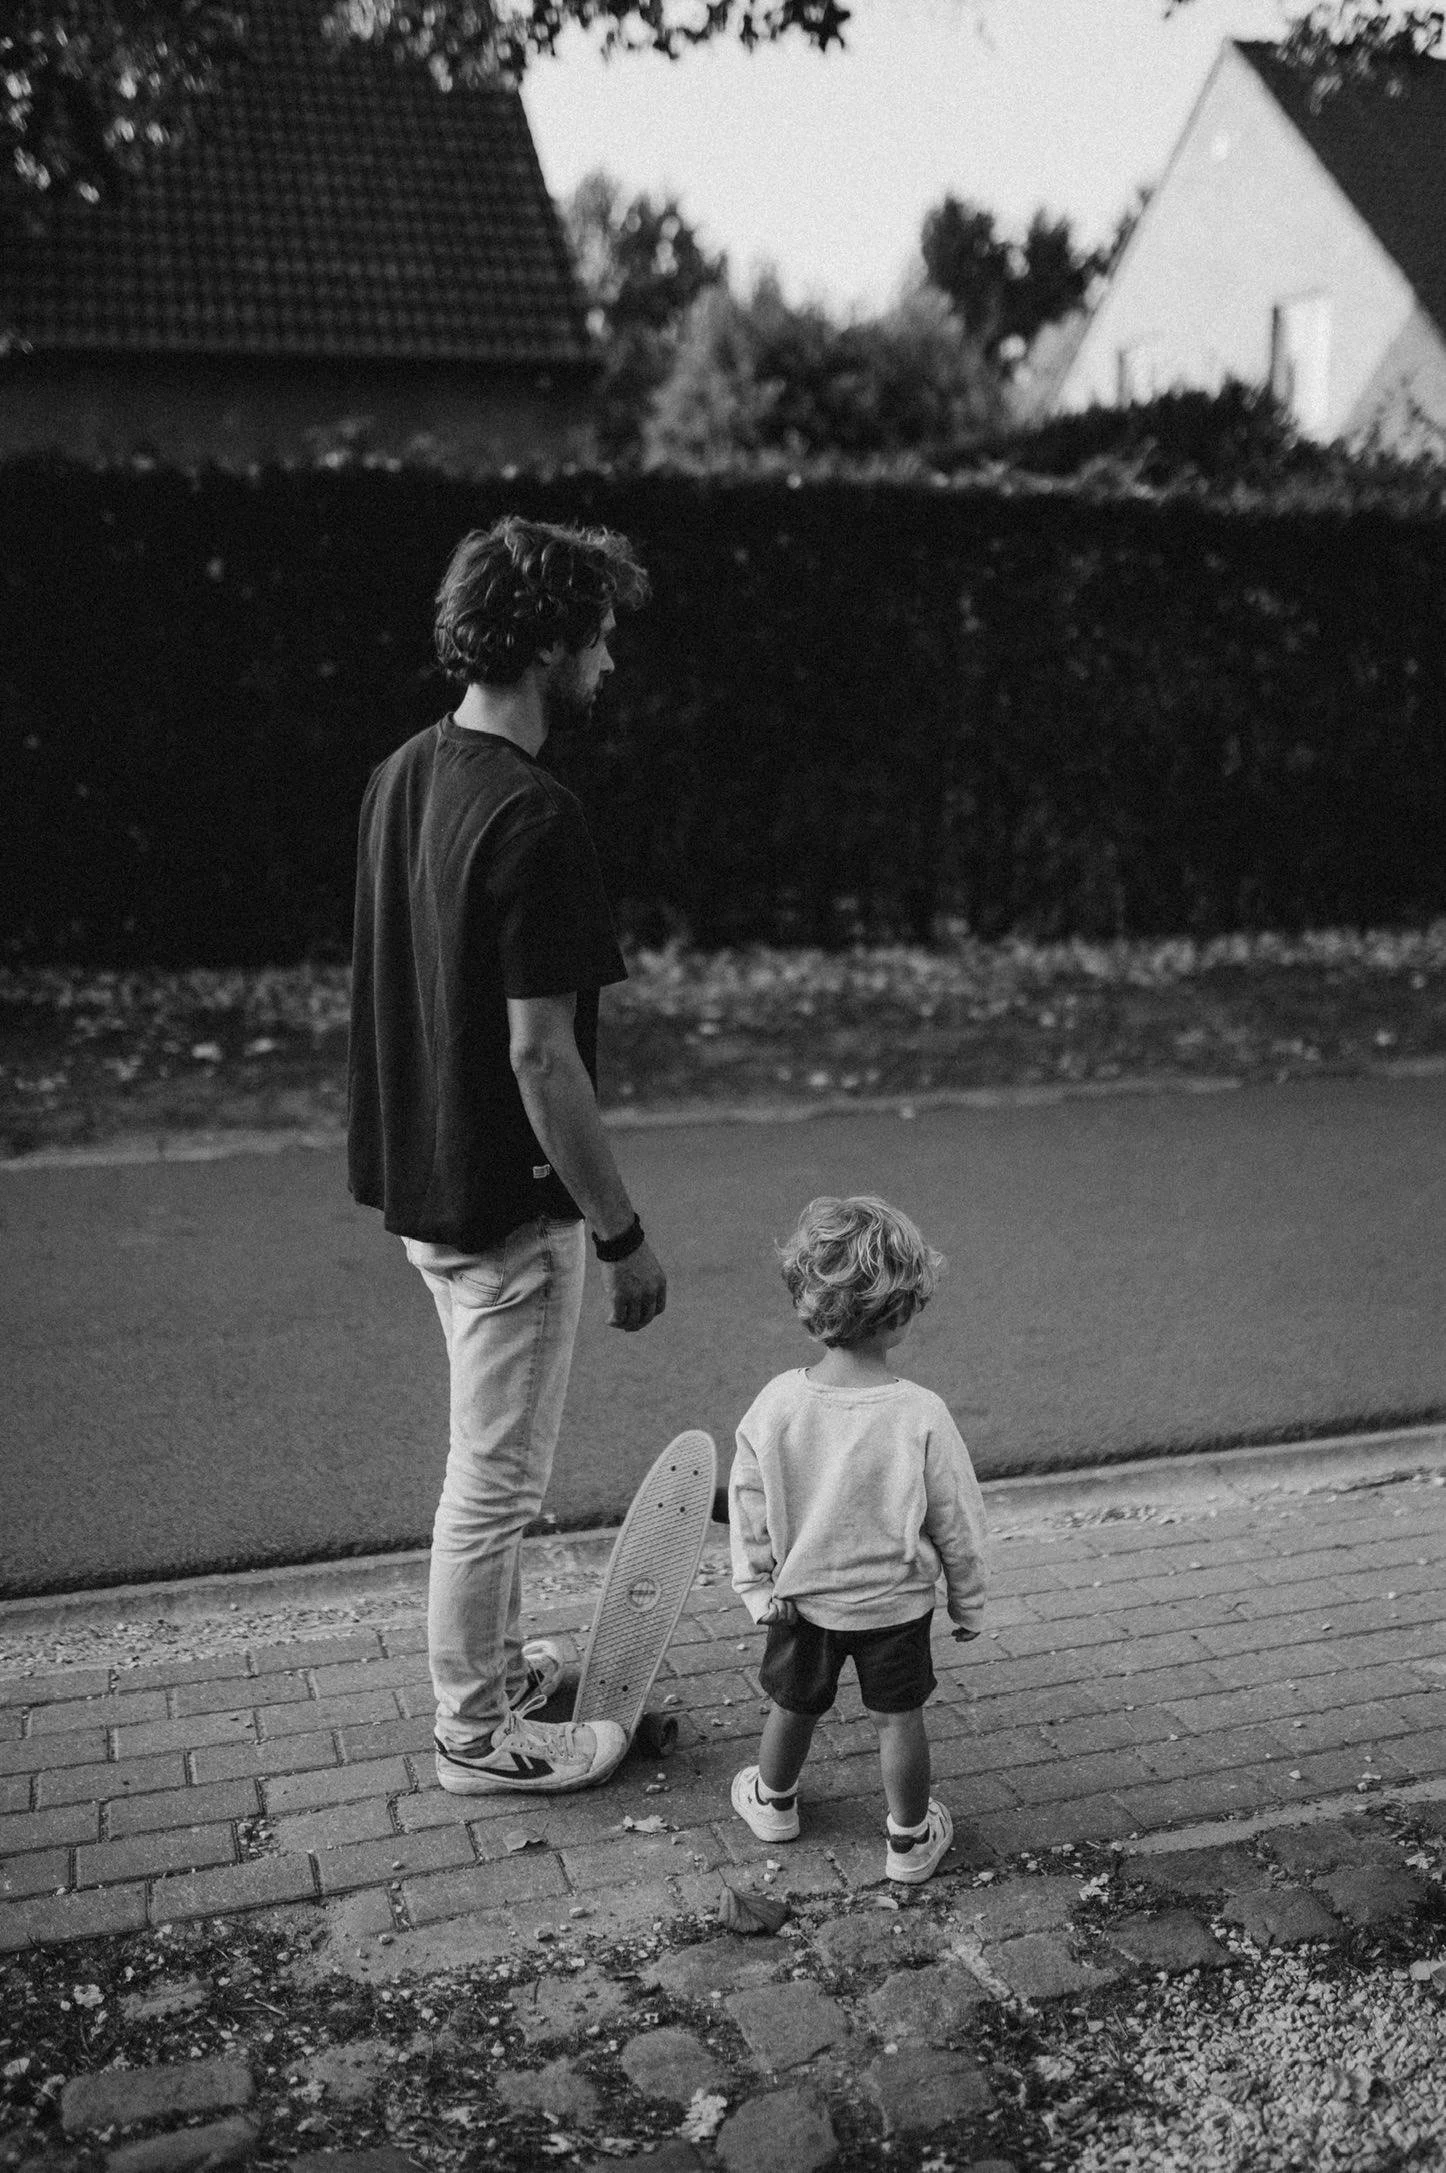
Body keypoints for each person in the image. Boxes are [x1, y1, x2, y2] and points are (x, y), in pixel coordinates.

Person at [348, 515, 668, 1797]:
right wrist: (622, 1232)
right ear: (546, 640)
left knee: (497, 1468)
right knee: (492, 1481)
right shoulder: (538, 818)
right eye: (598, 636)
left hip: (425, 1182)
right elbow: (545, 1059)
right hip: (504, 1209)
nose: (609, 664)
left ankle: (491, 1668)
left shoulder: (401, 774)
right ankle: (475, 1729)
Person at [728, 1195, 988, 1883]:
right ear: (904, 1309)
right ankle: (908, 1840)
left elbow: (747, 1505)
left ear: (807, 1301)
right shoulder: (920, 1412)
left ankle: (774, 1801)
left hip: (802, 1601)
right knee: (897, 1720)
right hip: (897, 1606)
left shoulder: (778, 1403)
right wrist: (968, 1603)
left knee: (793, 1704)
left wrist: (757, 1587)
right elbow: (955, 1520)